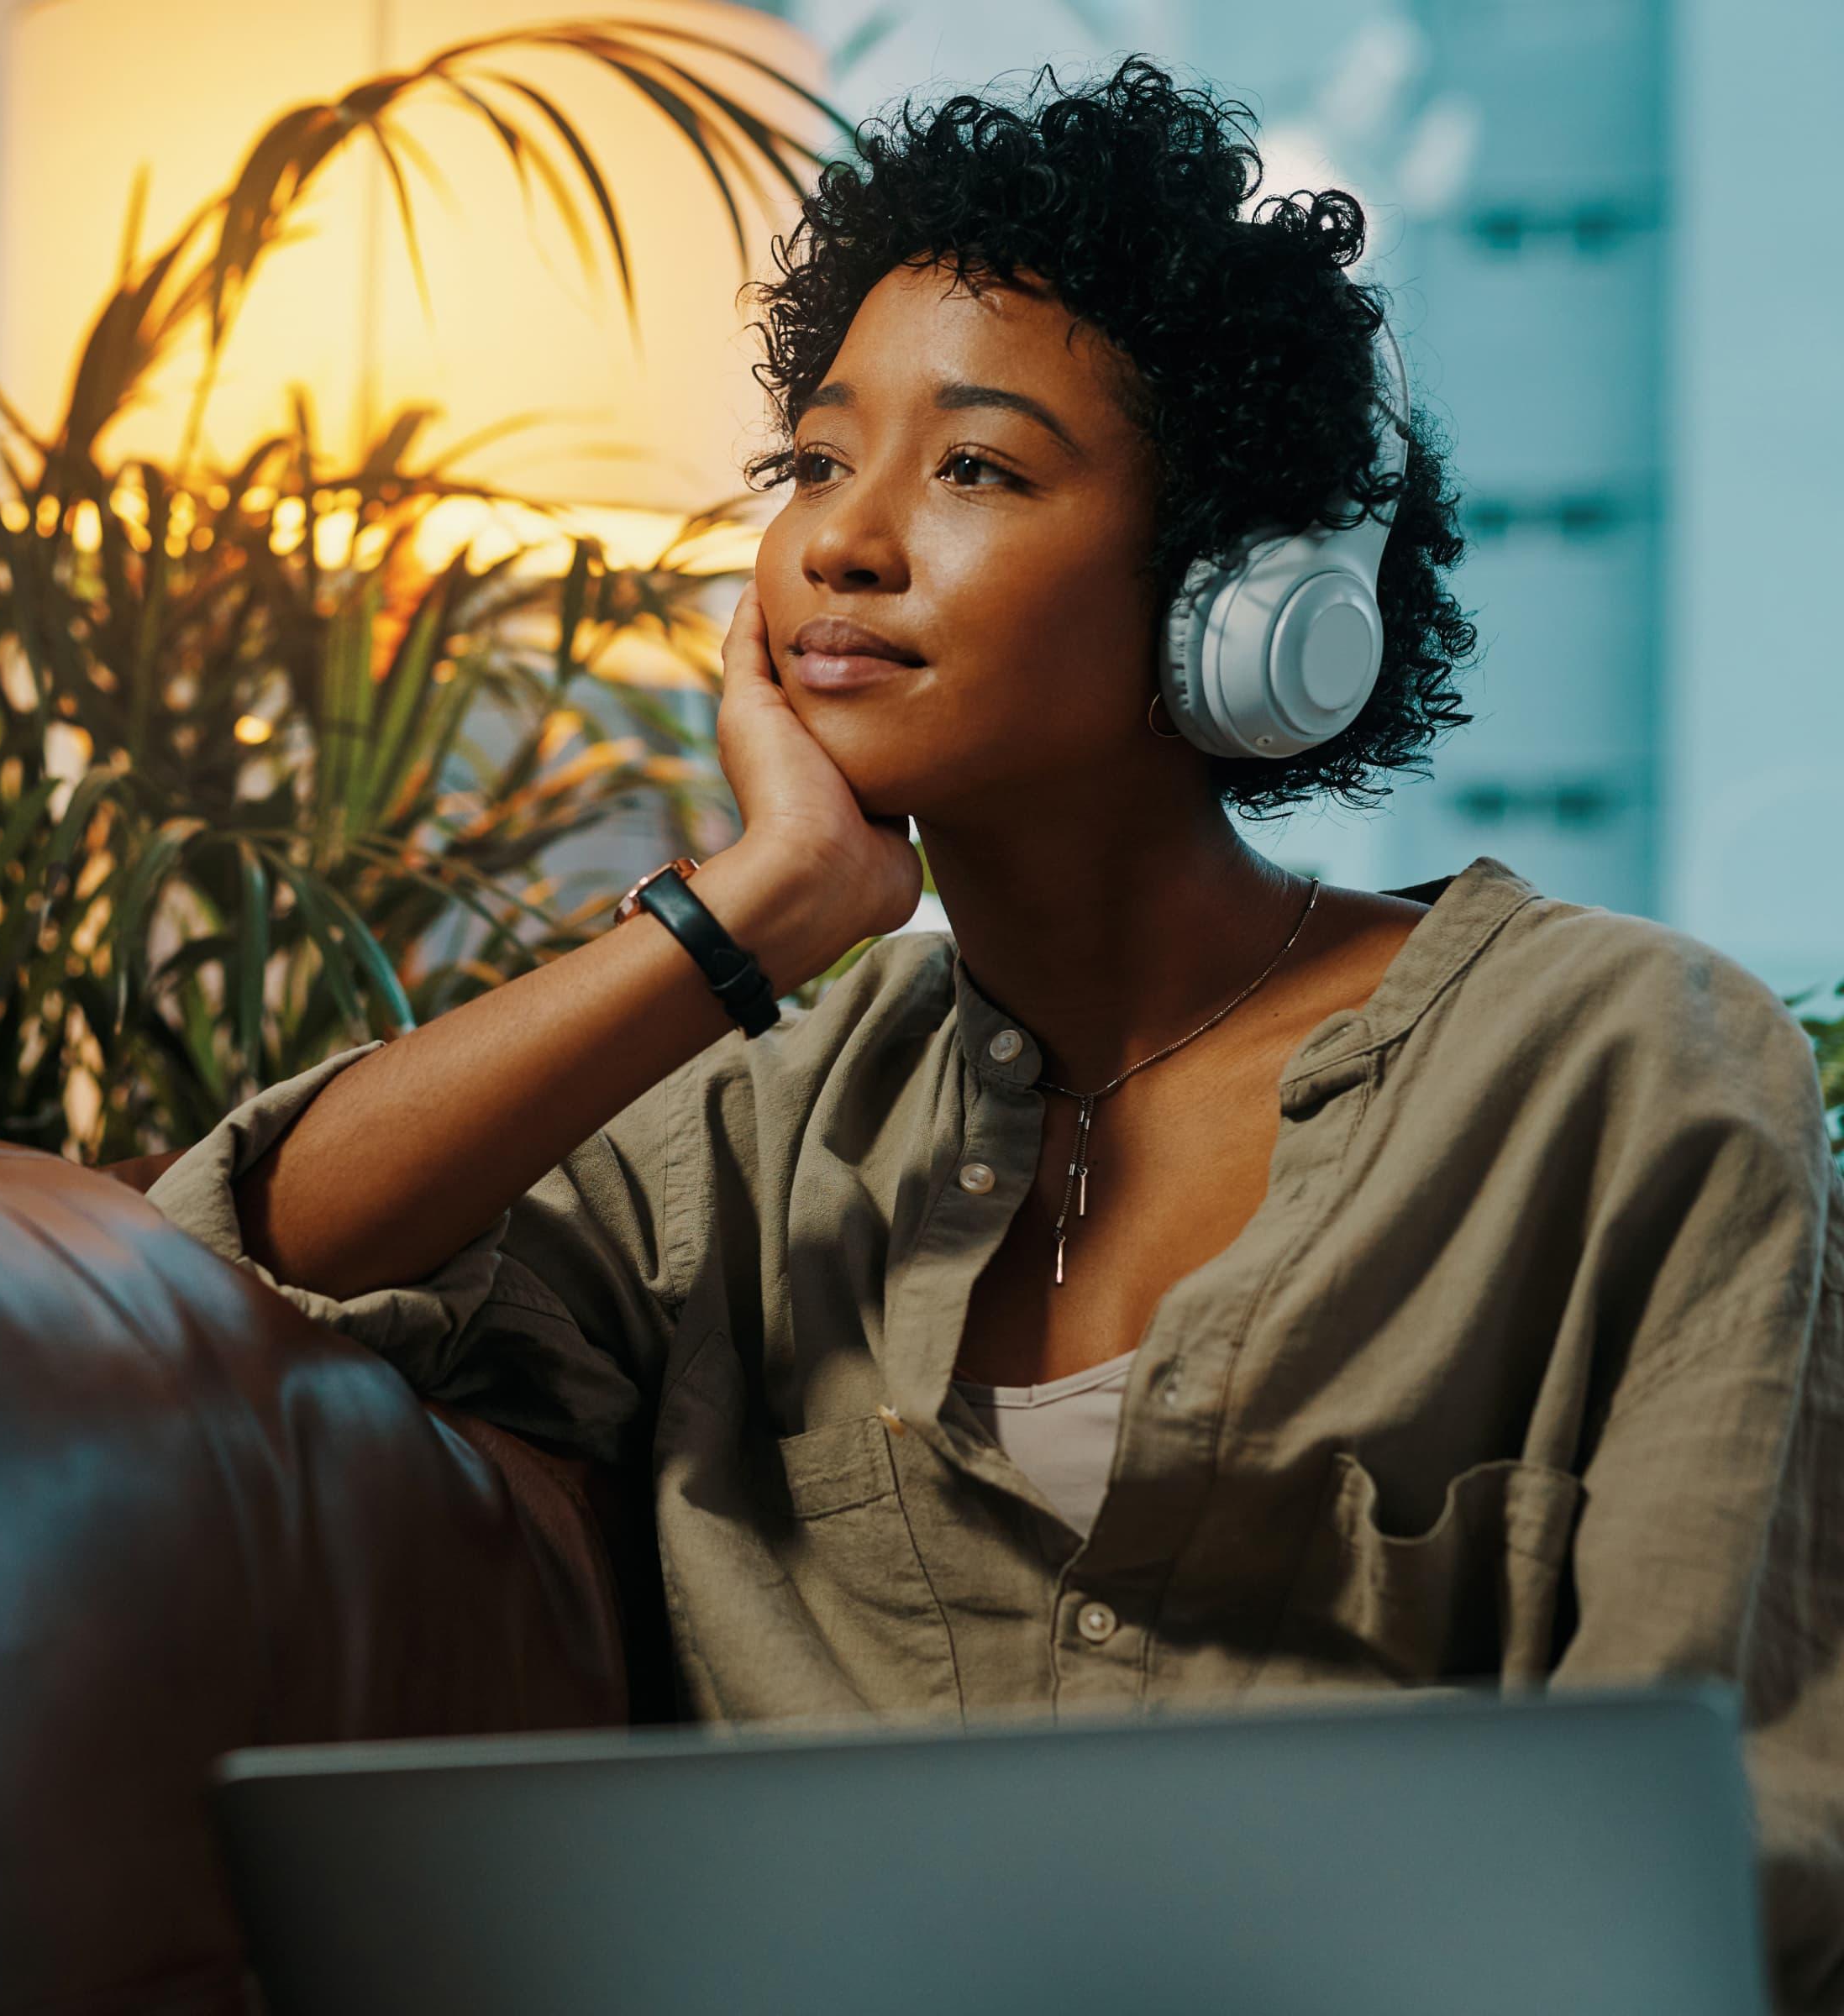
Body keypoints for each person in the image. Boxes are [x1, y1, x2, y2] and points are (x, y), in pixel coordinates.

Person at [145, 55, 1844, 2013]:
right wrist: (748, 914)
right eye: (809, 460)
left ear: (1243, 597)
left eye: (976, 467)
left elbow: (1738, 1844)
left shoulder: (1628, 1067)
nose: (843, 544)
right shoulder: (756, 1111)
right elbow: (254, 1251)